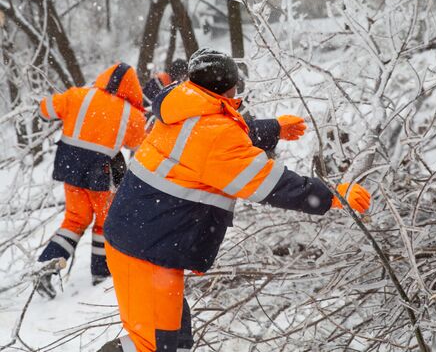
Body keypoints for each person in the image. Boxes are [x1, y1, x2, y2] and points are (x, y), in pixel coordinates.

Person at [98, 49, 370, 352]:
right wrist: (333, 195)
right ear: (231, 88)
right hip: (145, 253)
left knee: (175, 339)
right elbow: (272, 183)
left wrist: (274, 128)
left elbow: (220, 135)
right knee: (154, 346)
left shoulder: (182, 104)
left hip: (142, 240)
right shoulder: (213, 132)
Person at [36, 63, 147, 298]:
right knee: (104, 222)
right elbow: (137, 143)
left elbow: (44, 109)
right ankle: (101, 272)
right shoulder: (131, 114)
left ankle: (48, 263)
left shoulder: (78, 96)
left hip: (70, 167)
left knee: (75, 220)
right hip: (99, 172)